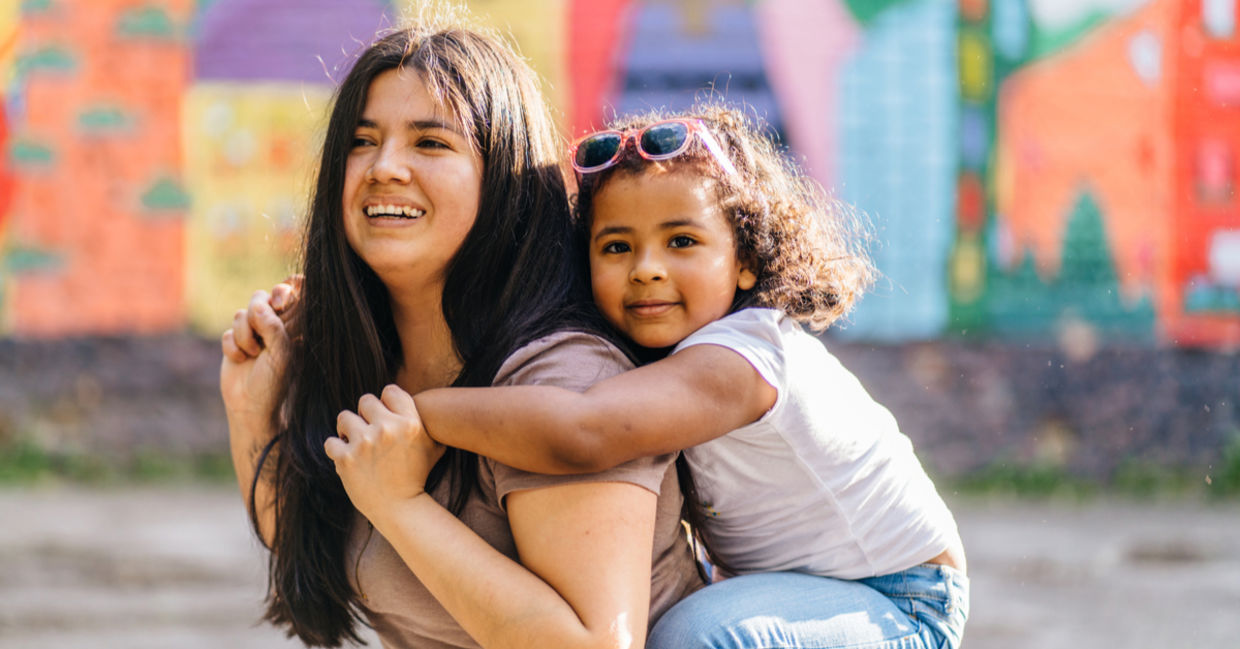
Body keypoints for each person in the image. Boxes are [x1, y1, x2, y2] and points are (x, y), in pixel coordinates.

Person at [370, 104, 970, 649]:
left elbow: (582, 432)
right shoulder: (658, 353)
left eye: (681, 240)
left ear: (746, 261)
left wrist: (417, 412)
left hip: (902, 602)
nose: (647, 270)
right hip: (795, 592)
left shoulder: (741, 357)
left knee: (691, 638)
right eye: (615, 248)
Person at [219, 22, 702, 649]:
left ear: (502, 177)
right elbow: (310, 542)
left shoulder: (563, 379)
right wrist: (250, 409)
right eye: (363, 142)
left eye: (430, 143)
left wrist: (399, 505)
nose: (384, 167)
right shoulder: (365, 356)